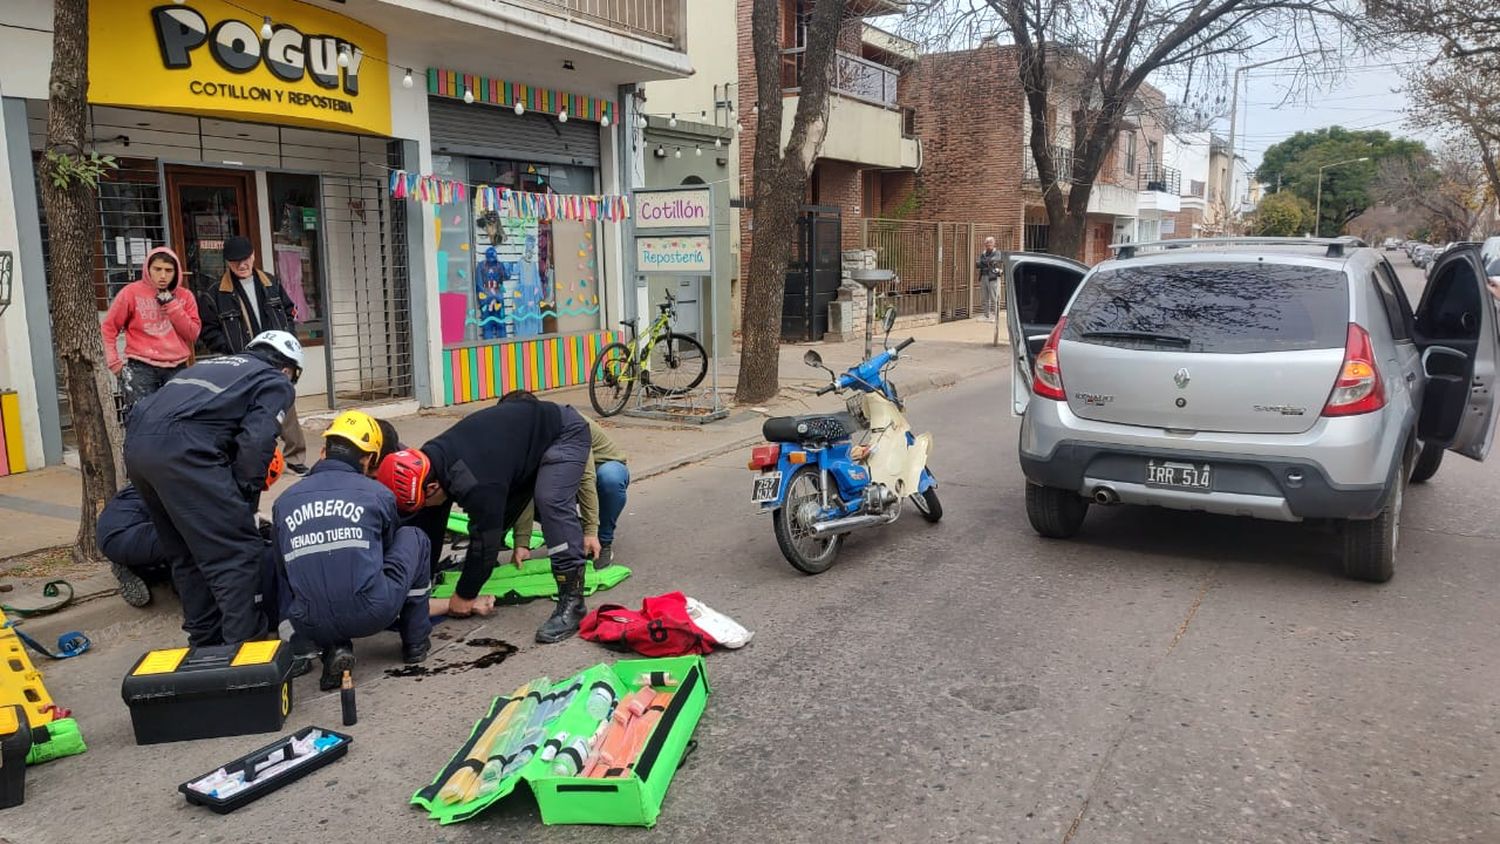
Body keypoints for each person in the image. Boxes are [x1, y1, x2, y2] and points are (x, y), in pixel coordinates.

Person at [123, 329, 303, 647]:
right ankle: (241, 658)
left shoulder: (207, 366)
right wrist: (241, 499)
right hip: (185, 452)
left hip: (139, 449)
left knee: (185, 554)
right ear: (288, 369)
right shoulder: (273, 380)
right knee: (236, 554)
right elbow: (258, 439)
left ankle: (205, 647)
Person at [378, 397, 593, 643]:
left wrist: (464, 594)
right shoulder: (430, 462)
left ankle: (572, 601)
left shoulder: (477, 482)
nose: (425, 507)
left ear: (432, 486)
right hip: (518, 445)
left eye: (424, 500)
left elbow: (485, 540)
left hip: (564, 431)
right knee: (492, 517)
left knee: (550, 501)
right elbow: (430, 522)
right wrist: (420, 584)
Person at [275, 411, 433, 691]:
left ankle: (332, 647)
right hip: (372, 613)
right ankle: (415, 643)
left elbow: (283, 571)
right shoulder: (378, 494)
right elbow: (385, 552)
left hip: (307, 622)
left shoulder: (284, 502)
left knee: (309, 569)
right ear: (370, 459)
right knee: (414, 538)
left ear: (323, 451)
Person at [99, 467, 284, 619]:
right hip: (124, 534)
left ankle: (148, 572)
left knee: (192, 539)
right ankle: (133, 568)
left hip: (123, 530)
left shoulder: (197, 470)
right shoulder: (199, 481)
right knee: (200, 542)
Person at [198, 235, 310, 474]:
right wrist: (231, 349)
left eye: (245, 259)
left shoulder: (270, 282)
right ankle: (252, 459)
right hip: (243, 359)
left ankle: (295, 457)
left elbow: (289, 312)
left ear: (253, 256)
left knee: (284, 400)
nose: (241, 265)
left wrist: (289, 340)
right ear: (227, 262)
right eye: (235, 261)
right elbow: (207, 332)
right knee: (245, 408)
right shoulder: (215, 293)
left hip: (277, 354)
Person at [500, 390, 630, 568]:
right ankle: (576, 530)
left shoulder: (568, 424)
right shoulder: (523, 434)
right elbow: (525, 489)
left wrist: (592, 532)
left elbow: (586, 479)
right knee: (542, 493)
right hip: (564, 473)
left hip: (602, 468)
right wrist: (522, 543)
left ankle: (603, 539)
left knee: (609, 479)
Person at [101, 247, 200, 409]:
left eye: (169, 270)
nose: (163, 275)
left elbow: (192, 334)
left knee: (177, 419)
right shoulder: (131, 293)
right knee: (142, 420)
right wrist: (114, 364)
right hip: (141, 367)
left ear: (176, 272)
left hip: (177, 367)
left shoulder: (185, 296)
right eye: (157, 269)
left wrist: (171, 305)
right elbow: (108, 328)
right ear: (148, 269)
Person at [975, 236, 1002, 322]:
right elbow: (977, 264)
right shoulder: (983, 253)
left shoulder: (997, 253)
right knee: (984, 297)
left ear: (994, 244)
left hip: (993, 277)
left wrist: (986, 262)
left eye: (990, 243)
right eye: (987, 243)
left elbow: (993, 262)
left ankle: (995, 316)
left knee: (994, 297)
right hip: (983, 276)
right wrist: (987, 263)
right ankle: (985, 315)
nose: (988, 245)